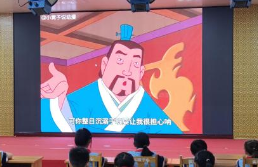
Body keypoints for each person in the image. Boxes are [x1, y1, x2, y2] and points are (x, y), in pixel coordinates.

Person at [40, 27, 182, 134]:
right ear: (104, 65)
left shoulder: (148, 106)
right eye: (120, 60)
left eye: (135, 63)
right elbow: (59, 124)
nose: (127, 70)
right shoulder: (83, 97)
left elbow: (171, 134)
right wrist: (57, 100)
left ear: (141, 72)